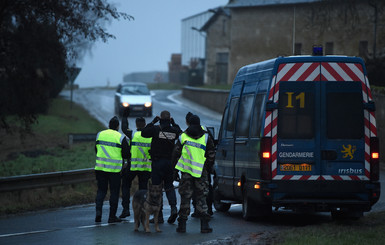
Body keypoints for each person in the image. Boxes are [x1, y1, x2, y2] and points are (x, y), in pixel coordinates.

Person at [172, 114, 216, 233]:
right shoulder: (206, 137)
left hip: (186, 172)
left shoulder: (183, 137)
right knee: (202, 197)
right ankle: (204, 226)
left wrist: (175, 171)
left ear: (189, 123)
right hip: (201, 172)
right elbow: (211, 154)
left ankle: (182, 225)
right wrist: (206, 167)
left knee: (185, 197)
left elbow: (175, 154)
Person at [141, 110, 182, 224]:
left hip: (157, 163)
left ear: (160, 119)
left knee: (157, 189)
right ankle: (173, 208)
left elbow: (144, 132)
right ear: (169, 119)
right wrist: (173, 124)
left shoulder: (155, 129)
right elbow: (181, 133)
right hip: (169, 163)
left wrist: (153, 121)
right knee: (169, 186)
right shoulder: (174, 131)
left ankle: (159, 216)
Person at [95, 116, 130, 223]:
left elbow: (96, 149)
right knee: (114, 193)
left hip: (100, 168)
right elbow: (126, 154)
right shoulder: (120, 137)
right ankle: (111, 217)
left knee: (101, 191)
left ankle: (98, 213)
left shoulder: (100, 134)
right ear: (118, 126)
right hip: (114, 170)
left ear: (109, 125)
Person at [119, 117, 152, 218]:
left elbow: (124, 128)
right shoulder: (151, 136)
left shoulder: (133, 134)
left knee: (125, 185)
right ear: (145, 124)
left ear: (137, 124)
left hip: (132, 166)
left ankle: (125, 209)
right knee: (143, 189)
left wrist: (124, 116)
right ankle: (142, 210)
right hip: (145, 167)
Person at [184, 112, 214, 218]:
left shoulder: (185, 135)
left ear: (188, 122)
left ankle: (183, 222)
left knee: (188, 193)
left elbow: (177, 153)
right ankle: (206, 214)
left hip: (188, 169)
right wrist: (208, 166)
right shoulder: (205, 134)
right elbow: (211, 152)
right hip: (202, 169)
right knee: (204, 191)